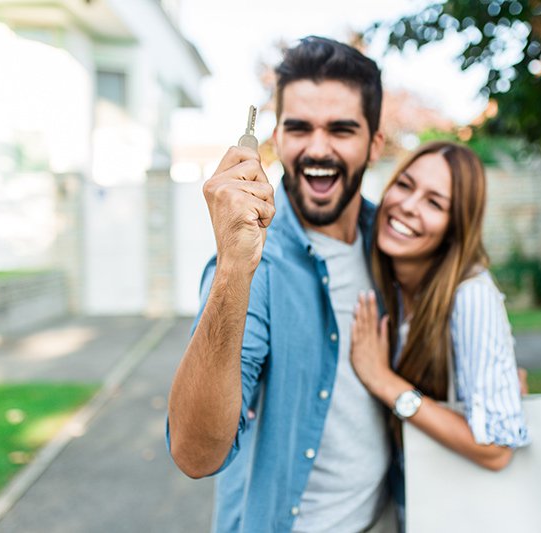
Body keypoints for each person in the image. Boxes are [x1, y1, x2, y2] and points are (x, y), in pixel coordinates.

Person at [167, 36, 396, 532]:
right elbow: (194, 453)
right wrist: (233, 268)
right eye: (299, 128)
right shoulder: (253, 267)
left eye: (341, 129)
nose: (317, 148)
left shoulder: (395, 246)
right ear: (276, 137)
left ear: (374, 144)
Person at [348, 141, 531, 522]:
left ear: (455, 227)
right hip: (409, 502)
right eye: (404, 185)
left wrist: (384, 381)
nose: (409, 206)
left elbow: (496, 449)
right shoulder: (391, 283)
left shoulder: (471, 296)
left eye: (434, 203)